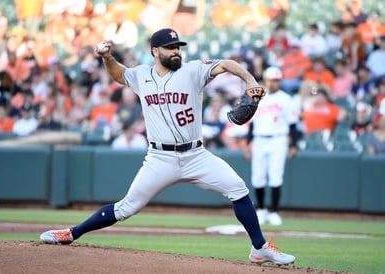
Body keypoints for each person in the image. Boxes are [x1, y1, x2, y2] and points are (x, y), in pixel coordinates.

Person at [39, 28, 295, 265]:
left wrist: (250, 81)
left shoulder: (193, 70)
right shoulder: (141, 75)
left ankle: (259, 248)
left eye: (178, 47)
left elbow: (227, 64)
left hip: (196, 154)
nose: (176, 51)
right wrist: (107, 57)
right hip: (159, 158)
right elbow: (118, 73)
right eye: (170, 47)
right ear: (155, 51)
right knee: (126, 208)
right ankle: (71, 233)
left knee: (238, 188)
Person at [244, 67, 299, 226]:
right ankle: (261, 210)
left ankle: (274, 211)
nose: (275, 83)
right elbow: (252, 125)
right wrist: (248, 143)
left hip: (278, 139)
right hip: (259, 138)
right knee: (258, 176)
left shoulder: (287, 99)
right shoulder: (257, 97)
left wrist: (293, 144)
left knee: (276, 175)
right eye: (272, 80)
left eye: (277, 80)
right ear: (265, 80)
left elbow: (293, 125)